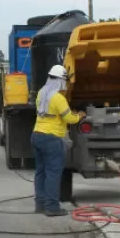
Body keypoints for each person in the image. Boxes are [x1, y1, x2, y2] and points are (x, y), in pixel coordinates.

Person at [31, 65, 85, 216]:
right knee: (53, 173)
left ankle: (40, 205)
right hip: (51, 139)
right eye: (65, 81)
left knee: (40, 172)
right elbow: (69, 118)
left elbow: (44, 112)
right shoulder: (58, 98)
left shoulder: (41, 93)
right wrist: (79, 115)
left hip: (37, 135)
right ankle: (52, 207)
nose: (66, 84)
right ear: (61, 81)